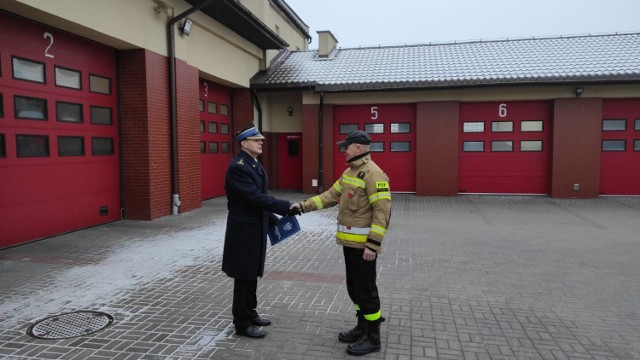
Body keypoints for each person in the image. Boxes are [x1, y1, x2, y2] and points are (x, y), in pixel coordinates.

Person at [291, 130, 391, 356]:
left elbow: (382, 211)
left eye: (347, 146)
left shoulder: (374, 174)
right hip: (349, 244)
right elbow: (329, 196)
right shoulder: (350, 172)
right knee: (354, 289)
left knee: (366, 292)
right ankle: (361, 326)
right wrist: (303, 206)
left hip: (364, 248)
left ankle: (373, 337)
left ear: (358, 147)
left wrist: (372, 245)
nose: (344, 150)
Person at [222, 123, 299, 338]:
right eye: (256, 140)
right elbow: (253, 197)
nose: (261, 142)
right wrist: (285, 207)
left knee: (252, 272)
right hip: (243, 230)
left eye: (261, 139)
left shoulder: (252, 163)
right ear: (244, 144)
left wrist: (272, 218)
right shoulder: (238, 166)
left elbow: (255, 200)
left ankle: (251, 312)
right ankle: (241, 323)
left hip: (255, 227)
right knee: (243, 276)